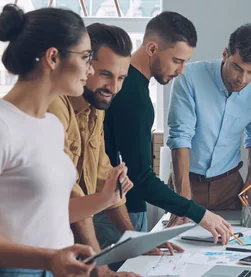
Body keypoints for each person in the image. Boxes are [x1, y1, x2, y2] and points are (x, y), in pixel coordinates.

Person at [0, 4, 117, 276]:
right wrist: (48, 259)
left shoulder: (53, 125)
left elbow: (46, 212)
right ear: (53, 58)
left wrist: (104, 199)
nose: (90, 71)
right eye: (86, 57)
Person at [48, 23, 179, 276]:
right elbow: (76, 198)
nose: (114, 88)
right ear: (85, 65)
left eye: (121, 78)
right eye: (106, 74)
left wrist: (138, 242)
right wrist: (104, 272)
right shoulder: (54, 108)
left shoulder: (95, 107)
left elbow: (104, 178)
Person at [102, 11, 232, 251]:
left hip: (119, 209)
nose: (181, 70)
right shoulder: (134, 96)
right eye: (177, 60)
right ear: (152, 49)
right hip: (116, 214)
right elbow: (140, 177)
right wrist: (200, 214)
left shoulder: (131, 87)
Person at [166, 23, 251, 226]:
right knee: (179, 250)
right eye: (237, 68)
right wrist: (183, 197)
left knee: (231, 250)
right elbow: (180, 137)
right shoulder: (188, 78)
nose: (242, 79)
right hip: (186, 182)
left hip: (229, 187)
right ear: (225, 54)